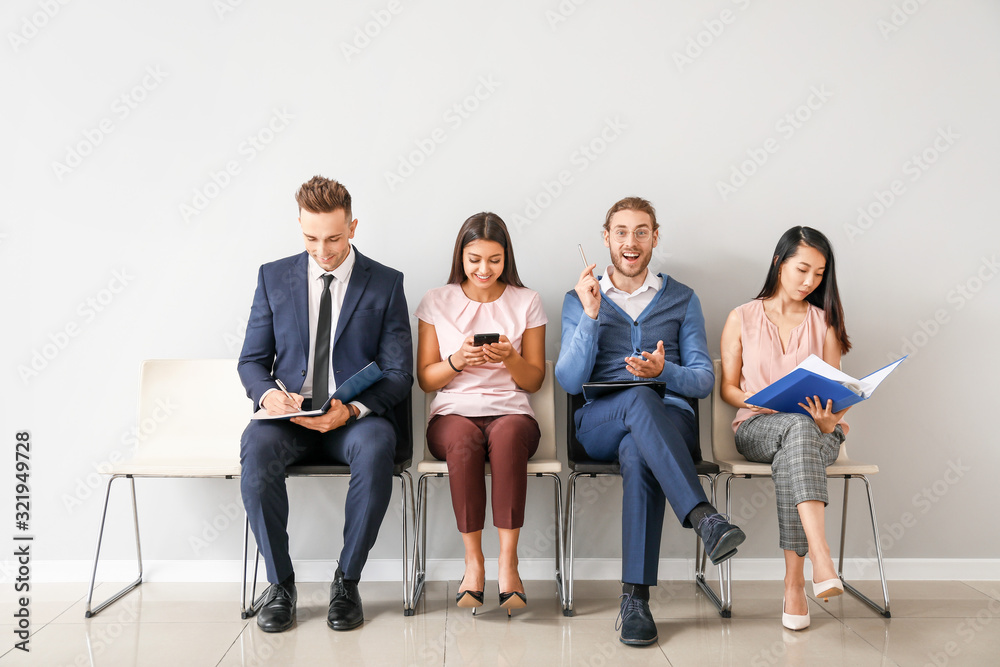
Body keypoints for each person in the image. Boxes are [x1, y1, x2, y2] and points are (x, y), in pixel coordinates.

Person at [555, 196, 745, 646]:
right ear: (606, 238)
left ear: (655, 237)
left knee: (639, 449)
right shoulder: (579, 299)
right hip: (599, 422)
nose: (631, 242)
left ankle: (635, 600)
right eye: (621, 232)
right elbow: (567, 380)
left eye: (641, 231)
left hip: (670, 421)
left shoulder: (682, 300)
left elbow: (701, 381)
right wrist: (590, 315)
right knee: (636, 401)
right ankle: (703, 516)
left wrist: (666, 373)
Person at [238, 176, 412, 633]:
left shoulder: (387, 283)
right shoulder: (272, 276)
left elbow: (399, 374)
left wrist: (351, 410)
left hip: (353, 420)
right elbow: (252, 361)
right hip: (289, 419)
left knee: (377, 448)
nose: (323, 250)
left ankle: (346, 581)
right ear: (299, 226)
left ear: (352, 227)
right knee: (254, 449)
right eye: (311, 238)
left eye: (334, 238)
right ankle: (280, 584)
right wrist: (269, 395)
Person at [719, 226, 851, 631]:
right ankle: (819, 556)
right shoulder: (741, 317)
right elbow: (727, 387)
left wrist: (832, 421)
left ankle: (796, 583)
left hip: (818, 433)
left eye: (819, 273)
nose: (810, 281)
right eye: (802, 269)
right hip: (756, 428)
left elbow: (836, 397)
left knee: (797, 438)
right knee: (794, 430)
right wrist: (750, 401)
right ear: (779, 263)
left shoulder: (824, 322)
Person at [415, 212, 546, 615]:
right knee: (463, 441)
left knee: (506, 437)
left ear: (506, 257)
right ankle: (474, 562)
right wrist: (456, 360)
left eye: (494, 259)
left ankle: (509, 562)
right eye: (474, 259)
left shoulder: (527, 301)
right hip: (452, 415)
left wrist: (510, 358)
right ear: (461, 257)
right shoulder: (435, 301)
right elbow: (426, 379)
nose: (484, 269)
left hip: (512, 413)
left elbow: (534, 380)